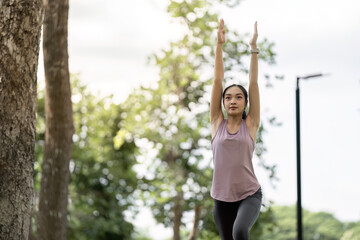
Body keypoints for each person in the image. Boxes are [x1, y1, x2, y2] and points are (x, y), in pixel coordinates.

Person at [210, 19, 262, 240]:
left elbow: (253, 83)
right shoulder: (216, 123)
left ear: (245, 103)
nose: (233, 101)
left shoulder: (250, 124)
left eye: (239, 97)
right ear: (222, 102)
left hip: (249, 195)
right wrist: (219, 46)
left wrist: (253, 49)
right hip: (221, 197)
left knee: (240, 232)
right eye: (228, 97)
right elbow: (217, 80)